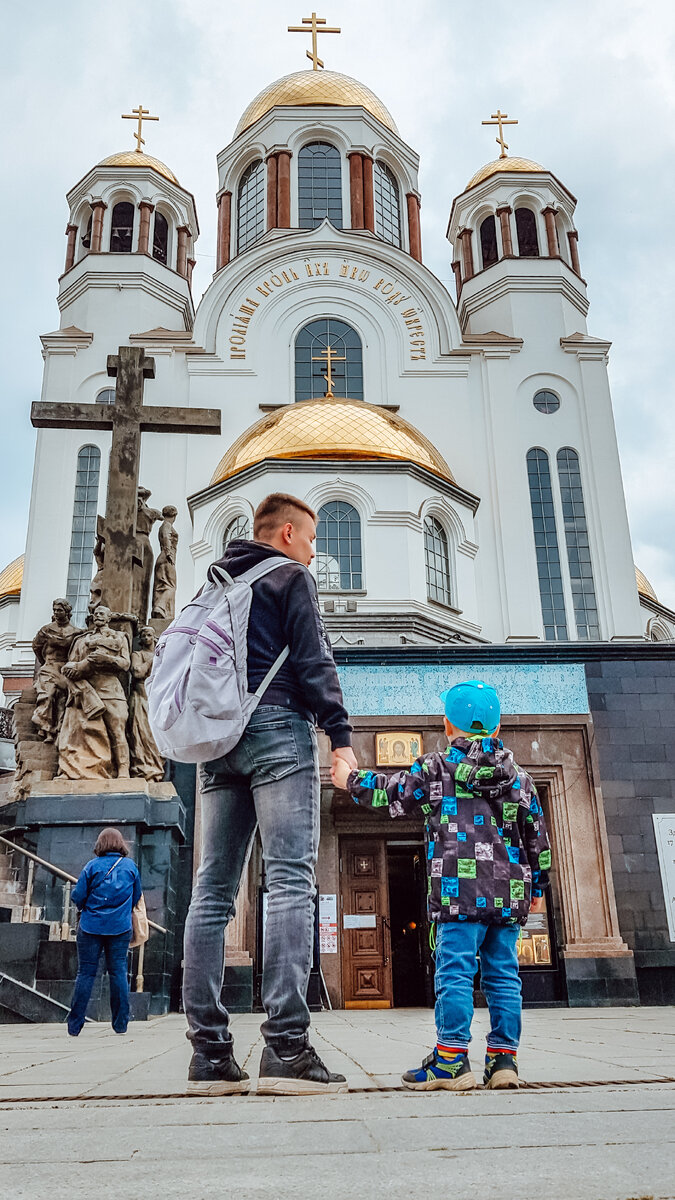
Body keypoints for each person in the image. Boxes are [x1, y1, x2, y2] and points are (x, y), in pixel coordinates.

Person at [183, 492, 357, 1096]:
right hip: (279, 728)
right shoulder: (291, 578)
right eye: (310, 539)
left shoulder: (214, 581)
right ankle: (285, 1046)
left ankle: (209, 1055)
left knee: (211, 891)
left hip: (218, 741)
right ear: (286, 533)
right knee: (289, 880)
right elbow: (314, 661)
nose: (313, 551)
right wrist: (339, 736)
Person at [333, 680, 551, 1092]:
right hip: (508, 897)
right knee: (504, 976)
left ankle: (450, 1061)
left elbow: (390, 794)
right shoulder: (521, 779)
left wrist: (350, 779)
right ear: (498, 726)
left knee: (455, 972)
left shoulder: (437, 768)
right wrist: (537, 888)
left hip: (457, 893)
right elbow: (538, 840)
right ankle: (504, 1060)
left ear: (447, 727)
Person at [68, 827, 142, 1036]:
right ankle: (120, 1025)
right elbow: (136, 897)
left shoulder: (92, 866)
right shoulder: (130, 867)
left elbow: (78, 895)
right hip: (120, 927)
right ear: (120, 844)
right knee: (118, 973)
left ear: (100, 844)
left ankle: (74, 1026)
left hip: (91, 926)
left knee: (86, 973)